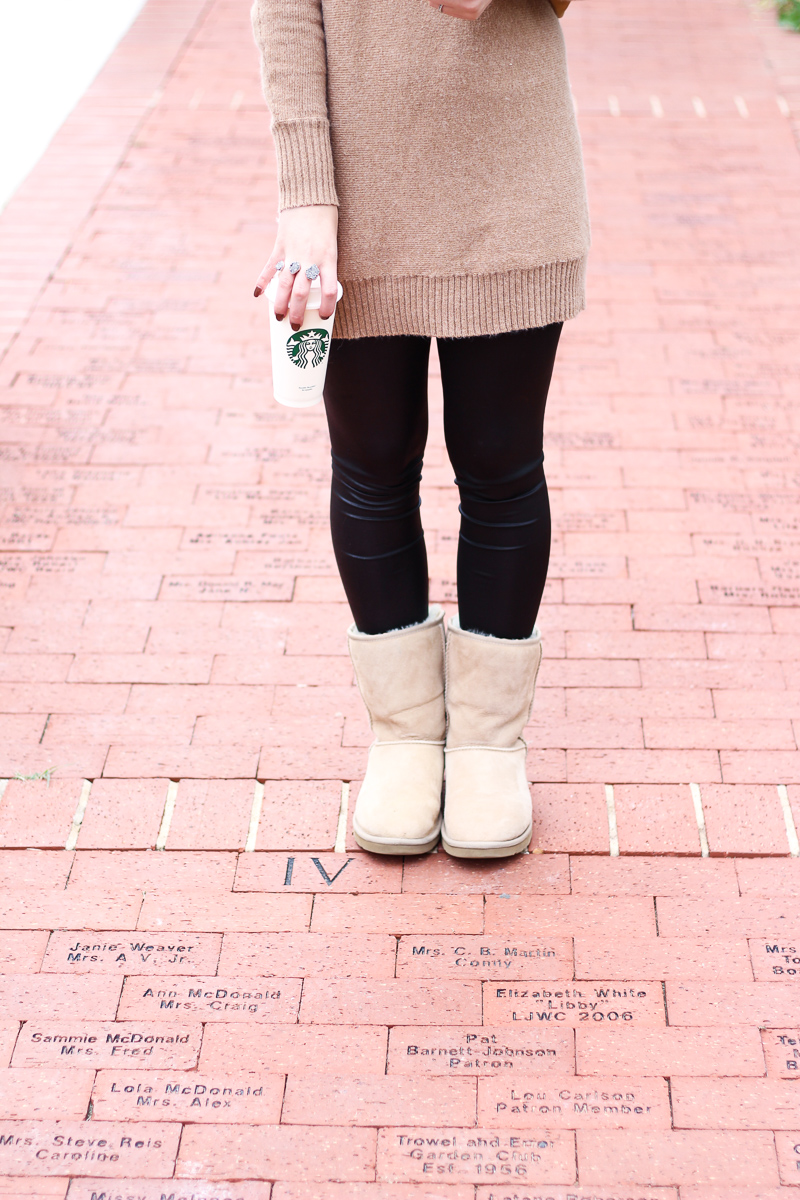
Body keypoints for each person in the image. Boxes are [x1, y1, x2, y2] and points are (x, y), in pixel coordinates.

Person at [252, 0, 589, 858]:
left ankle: (486, 745)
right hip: (353, 197)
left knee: (501, 465)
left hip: (512, 171)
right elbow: (286, 15)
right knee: (370, 462)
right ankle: (402, 739)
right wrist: (305, 203)